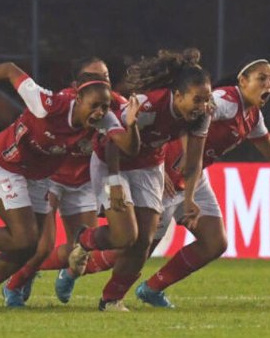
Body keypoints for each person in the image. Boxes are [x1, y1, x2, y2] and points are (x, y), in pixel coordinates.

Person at [134, 58, 270, 308]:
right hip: (166, 176)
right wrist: (156, 168)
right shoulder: (224, 101)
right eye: (261, 78)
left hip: (194, 177)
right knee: (135, 250)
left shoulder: (252, 116)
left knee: (214, 242)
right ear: (242, 81)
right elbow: (186, 117)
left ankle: (152, 289)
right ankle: (77, 263)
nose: (268, 83)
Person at [0, 64, 140, 311]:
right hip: (7, 163)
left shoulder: (105, 116)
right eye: (93, 106)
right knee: (24, 237)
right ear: (77, 98)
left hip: (41, 175)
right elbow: (9, 69)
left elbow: (129, 147)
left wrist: (132, 125)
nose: (99, 113)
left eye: (104, 107)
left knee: (32, 248)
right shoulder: (47, 103)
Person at [88, 48, 213, 312]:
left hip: (148, 165)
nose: (203, 106)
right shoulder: (146, 106)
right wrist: (114, 185)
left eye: (206, 99)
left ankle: (111, 299)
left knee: (144, 239)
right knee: (125, 236)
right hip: (112, 161)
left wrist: (189, 198)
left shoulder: (201, 115)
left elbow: (194, 160)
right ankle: (84, 241)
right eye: (197, 99)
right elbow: (112, 142)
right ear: (177, 95)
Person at [0, 57, 128, 307]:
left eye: (106, 77)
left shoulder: (115, 108)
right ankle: (15, 283)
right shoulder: (61, 105)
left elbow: (119, 142)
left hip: (83, 182)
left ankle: (67, 272)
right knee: (43, 246)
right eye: (92, 78)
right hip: (51, 177)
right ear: (77, 87)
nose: (101, 83)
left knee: (81, 250)